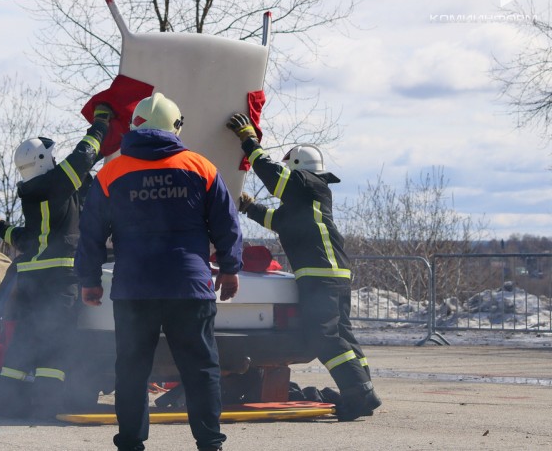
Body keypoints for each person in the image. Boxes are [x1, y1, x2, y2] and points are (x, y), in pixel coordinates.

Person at [76, 93, 243, 451]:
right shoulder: (201, 166)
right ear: (176, 126)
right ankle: (210, 444)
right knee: (200, 368)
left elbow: (90, 232)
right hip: (189, 286)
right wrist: (229, 269)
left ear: (135, 125)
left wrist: (89, 280)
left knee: (133, 369)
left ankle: (131, 444)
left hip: (135, 288)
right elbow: (227, 224)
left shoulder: (111, 171)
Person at [225, 112, 381, 422]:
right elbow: (276, 221)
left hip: (320, 275)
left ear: (297, 167)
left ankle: (357, 392)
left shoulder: (307, 184)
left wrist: (248, 141)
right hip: (332, 273)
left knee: (323, 337)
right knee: (342, 336)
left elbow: (273, 176)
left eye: (288, 168)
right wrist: (249, 207)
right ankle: (363, 391)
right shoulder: (305, 202)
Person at [0, 103, 114, 419]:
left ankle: (8, 403)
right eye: (51, 157)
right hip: (58, 279)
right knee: (56, 345)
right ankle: (45, 406)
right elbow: (84, 156)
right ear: (42, 160)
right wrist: (101, 124)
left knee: (25, 342)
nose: (56, 160)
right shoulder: (55, 184)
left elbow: (27, 240)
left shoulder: (31, 192)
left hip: (29, 280)